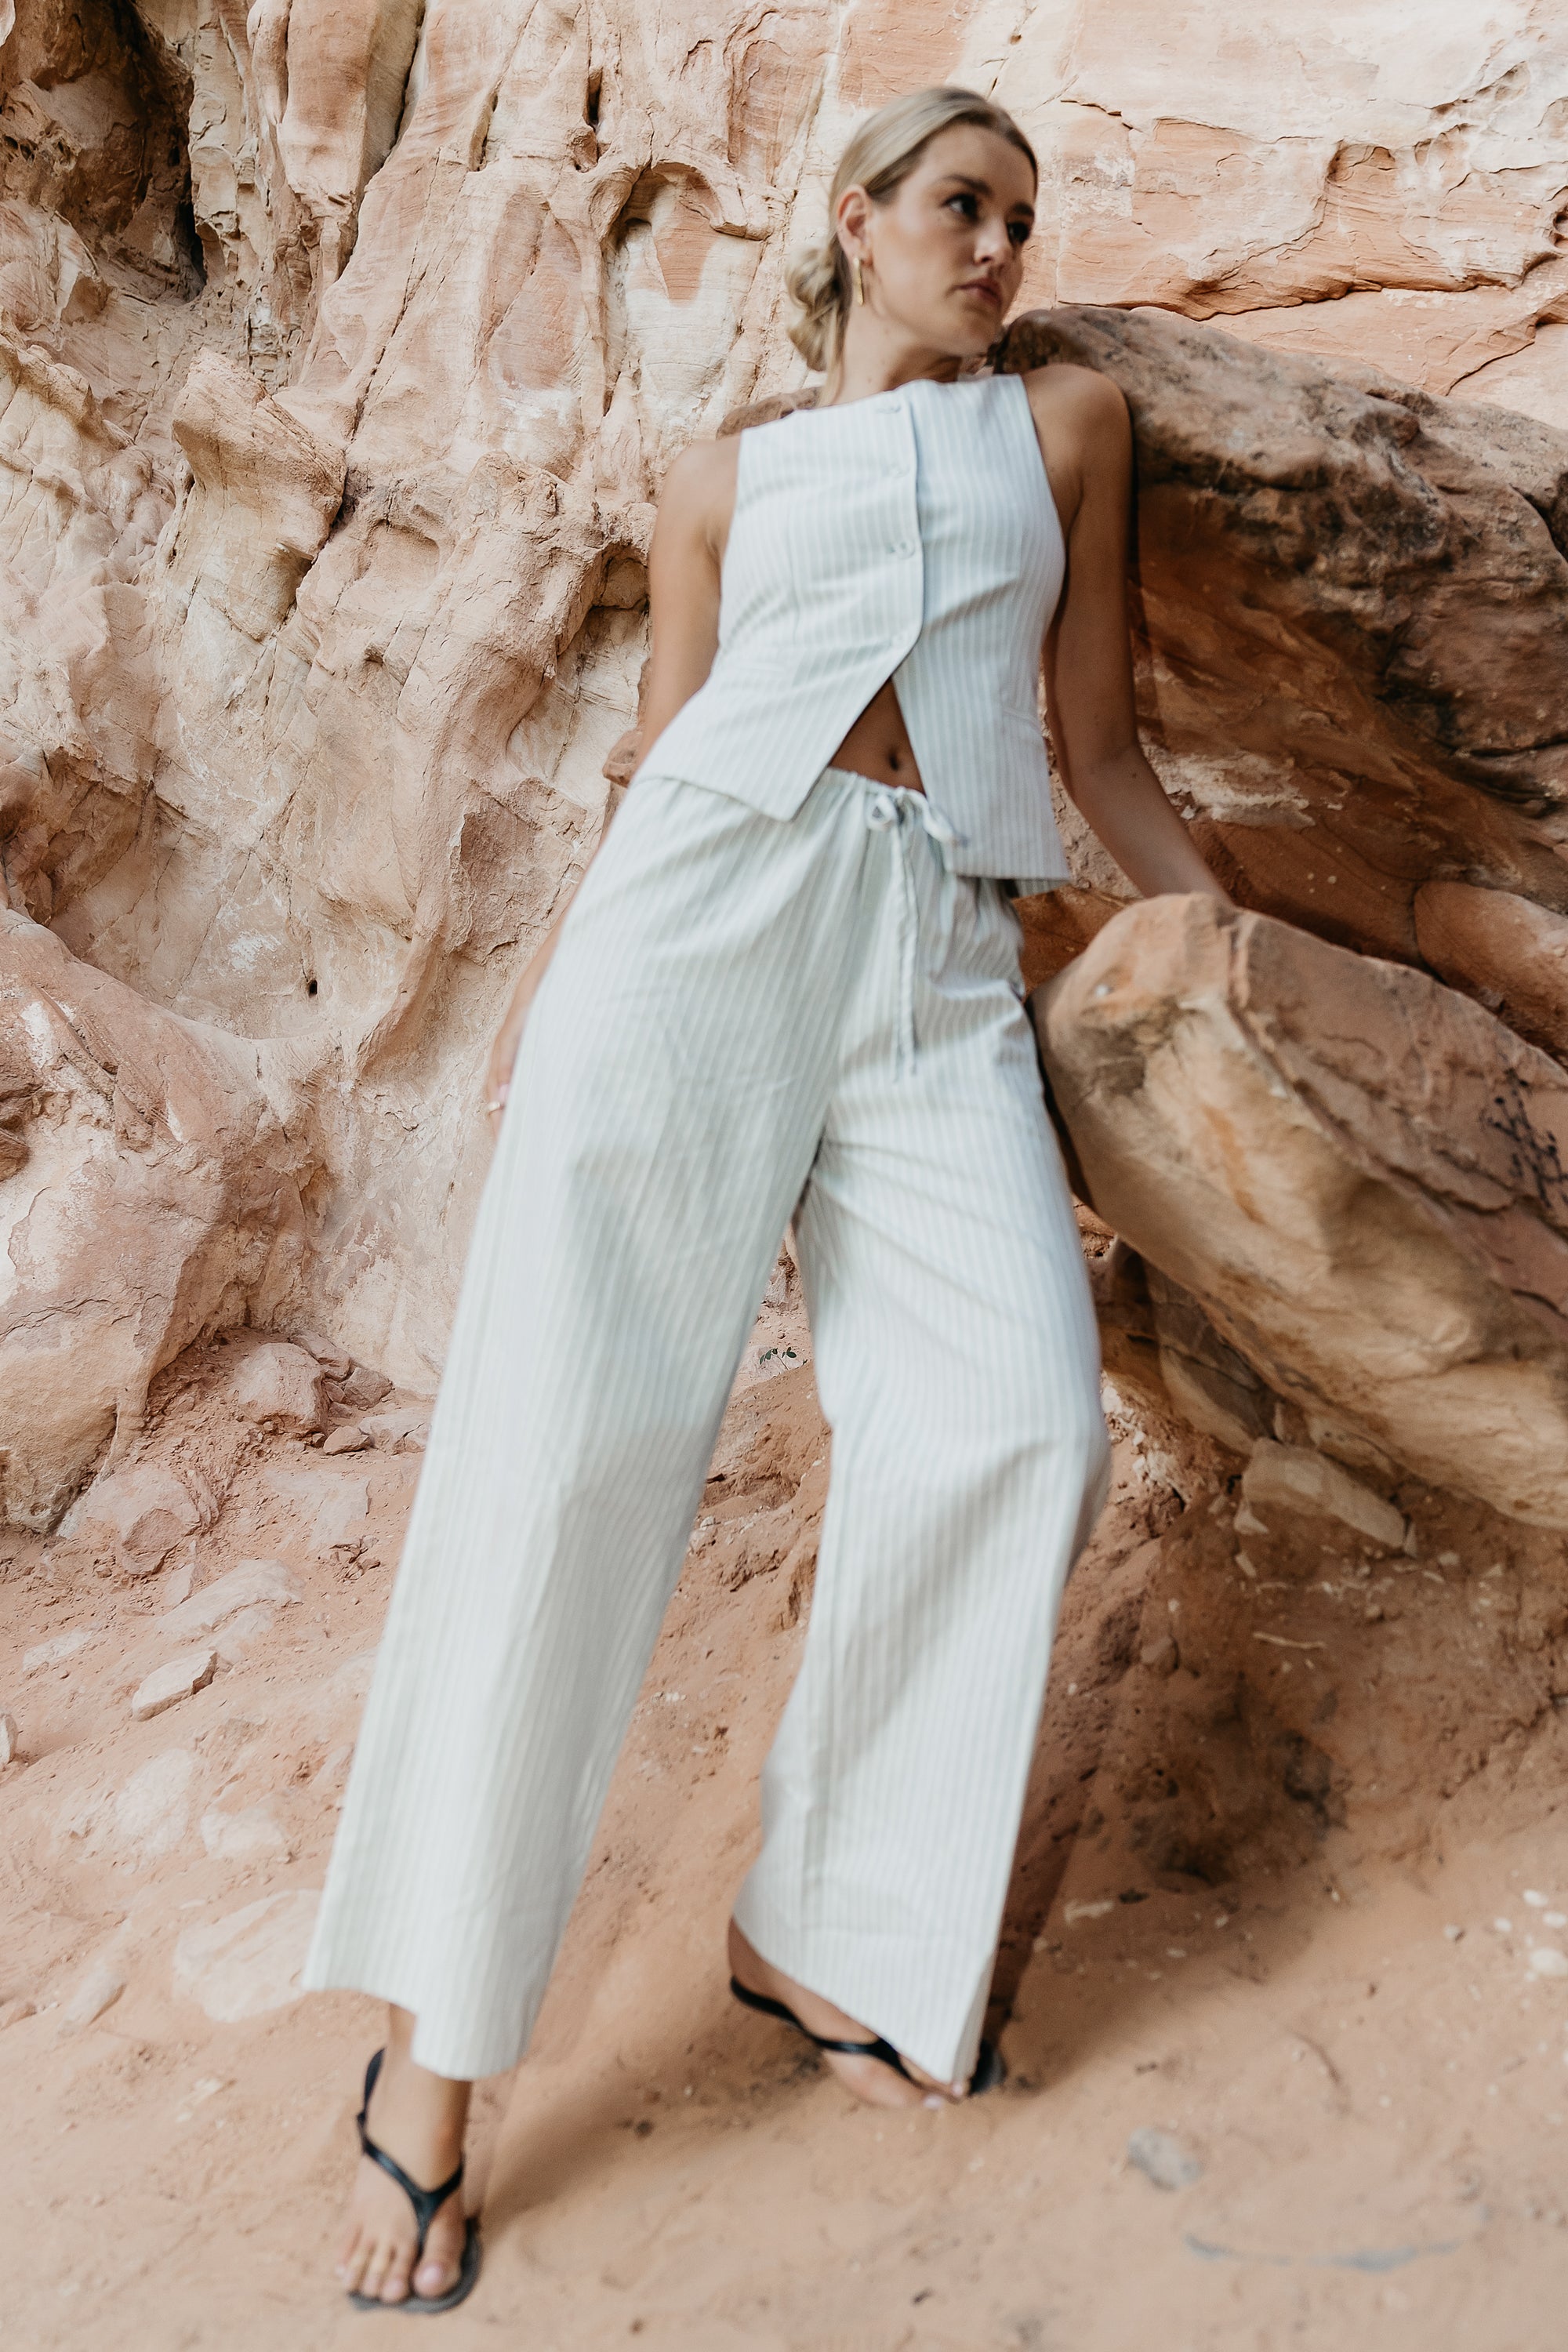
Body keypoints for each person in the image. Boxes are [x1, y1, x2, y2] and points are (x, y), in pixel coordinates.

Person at [309, 83, 1232, 2311]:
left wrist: (1231, 944)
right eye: (960, 205)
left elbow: (1098, 745)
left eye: (1022, 219)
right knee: (564, 1464)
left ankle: (826, 1927)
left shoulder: (1067, 428)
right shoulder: (718, 481)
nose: (997, 248)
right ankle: (435, 2060)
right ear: (854, 221)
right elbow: (662, 760)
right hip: (695, 938)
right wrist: (550, 990)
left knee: (1021, 1414)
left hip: (932, 960)